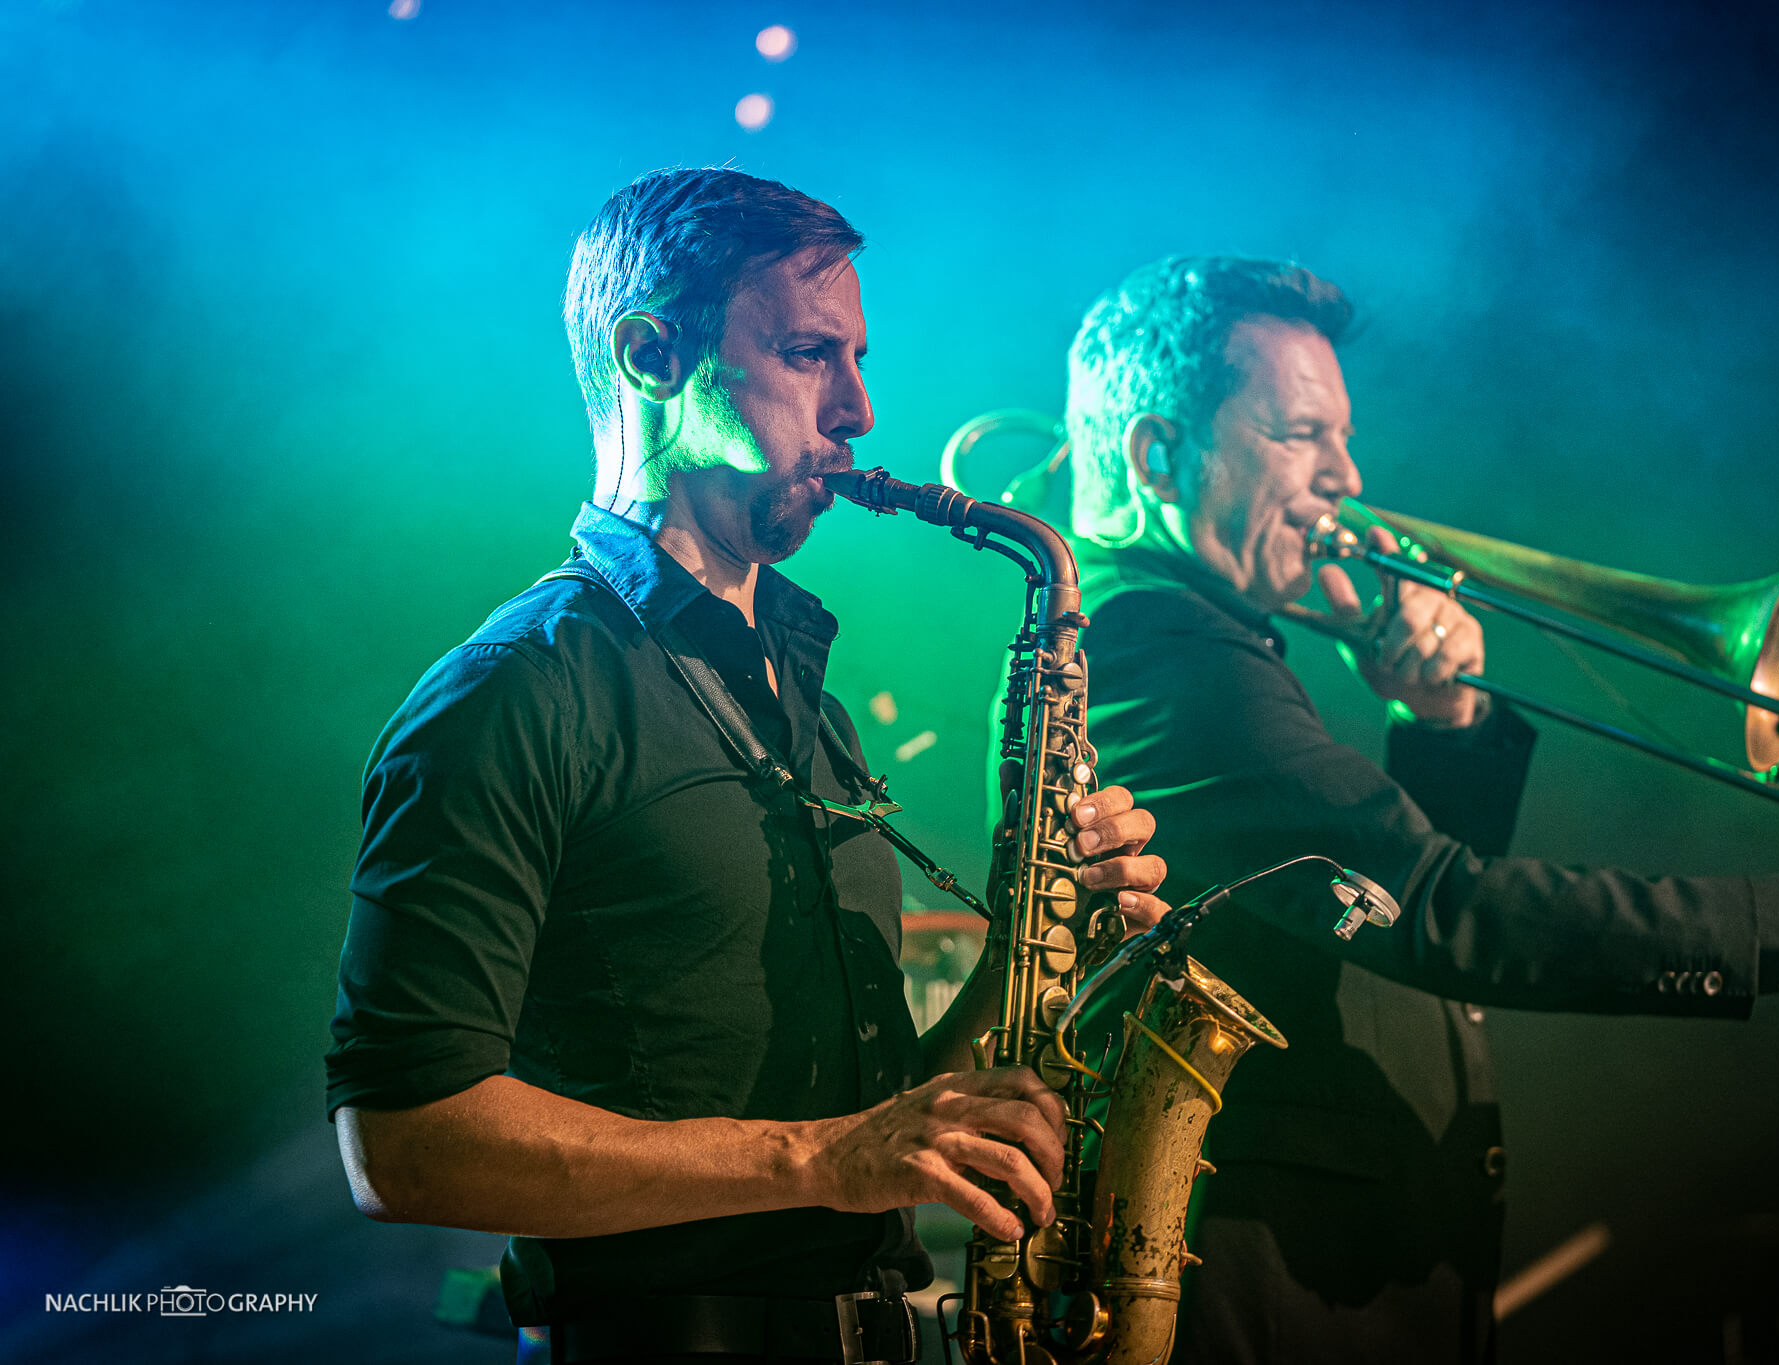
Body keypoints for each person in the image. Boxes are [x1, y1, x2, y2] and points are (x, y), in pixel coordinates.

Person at [1053, 255, 1779, 1364]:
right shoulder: (1155, 646)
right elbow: (1442, 911)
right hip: (1272, 1299)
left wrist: (1442, 720)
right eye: (1299, 434)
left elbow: (1387, 921)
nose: (1347, 476)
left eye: (1345, 436)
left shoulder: (1197, 639)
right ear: (1158, 455)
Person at [324, 167, 1174, 1365]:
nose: (859, 410)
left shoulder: (808, 701)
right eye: (808, 353)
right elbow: (402, 1146)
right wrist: (818, 1160)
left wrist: (1028, 946)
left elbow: (877, 1130)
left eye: (856, 359)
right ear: (650, 356)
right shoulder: (512, 693)